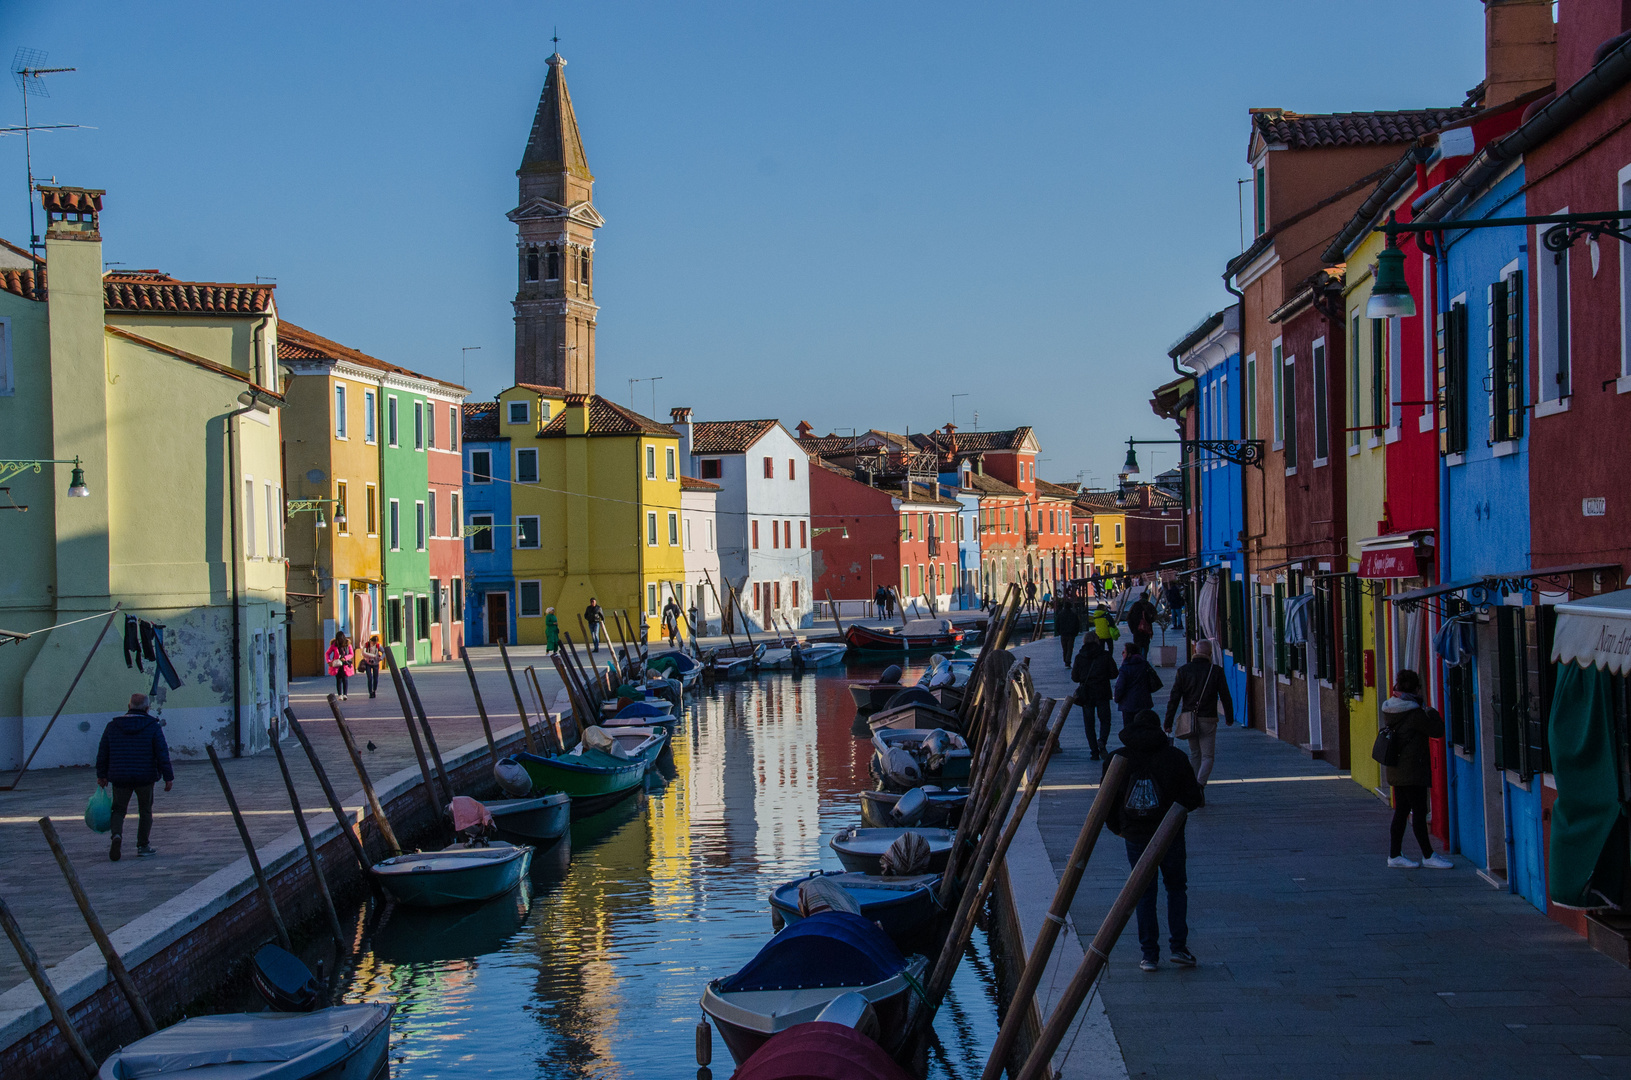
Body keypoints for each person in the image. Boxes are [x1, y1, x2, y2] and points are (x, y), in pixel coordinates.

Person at [1104, 708, 1205, 970]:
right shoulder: (1176, 757)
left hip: (1135, 835)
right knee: (1176, 887)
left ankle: (1149, 955)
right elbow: (1193, 798)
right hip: (1170, 833)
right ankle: (1179, 948)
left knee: (1143, 893)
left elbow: (1106, 803)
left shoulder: (1117, 758)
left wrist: (1119, 828)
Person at [1383, 670, 1453, 869]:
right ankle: (1428, 855)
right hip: (1412, 771)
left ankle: (1394, 855)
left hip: (1397, 770)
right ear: (1415, 689)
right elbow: (1436, 730)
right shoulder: (1414, 713)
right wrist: (1431, 711)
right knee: (1419, 812)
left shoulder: (1391, 709)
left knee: (1402, 812)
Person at [96, 693, 174, 861]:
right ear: (147, 708)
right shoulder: (152, 726)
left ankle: (116, 835)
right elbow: (162, 752)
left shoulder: (113, 726)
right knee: (145, 810)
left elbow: (103, 752)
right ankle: (143, 845)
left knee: (118, 810)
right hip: (145, 776)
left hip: (120, 776)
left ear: (129, 705)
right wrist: (168, 777)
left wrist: (101, 775)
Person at [1163, 640, 1234, 786]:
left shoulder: (1183, 671)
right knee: (1208, 756)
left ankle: (1193, 787)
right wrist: (1229, 717)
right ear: (1210, 653)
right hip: (1208, 718)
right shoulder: (1216, 671)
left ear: (1195, 651)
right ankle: (1200, 785)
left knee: (1195, 754)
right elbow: (1225, 696)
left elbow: (1174, 698)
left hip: (1189, 718)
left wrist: (1168, 722)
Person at [1071, 635, 1118, 760]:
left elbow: (1074, 677)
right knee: (1105, 720)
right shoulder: (1105, 655)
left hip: (1086, 694)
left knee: (1089, 724)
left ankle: (1094, 751)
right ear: (1097, 641)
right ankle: (1102, 740)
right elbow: (1114, 673)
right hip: (1102, 691)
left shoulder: (1079, 657)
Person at [1113, 642, 1162, 731]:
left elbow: (1120, 686)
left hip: (1129, 705)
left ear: (1129, 654)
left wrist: (1117, 698)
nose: (1122, 653)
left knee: (1129, 730)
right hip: (1144, 702)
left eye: (1124, 652)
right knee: (1143, 729)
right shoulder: (1144, 664)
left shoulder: (1125, 668)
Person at [325, 631, 353, 700]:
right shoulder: (334, 645)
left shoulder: (347, 644)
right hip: (337, 664)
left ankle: (345, 694)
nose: (340, 640)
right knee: (338, 679)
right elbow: (327, 653)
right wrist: (329, 661)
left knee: (345, 679)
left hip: (345, 664)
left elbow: (351, 654)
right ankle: (340, 694)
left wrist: (345, 658)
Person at [357, 634, 384, 698]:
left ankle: (374, 690)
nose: (374, 643)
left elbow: (384, 651)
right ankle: (370, 692)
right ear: (371, 641)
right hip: (368, 663)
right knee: (369, 678)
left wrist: (381, 658)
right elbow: (363, 653)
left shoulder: (378, 646)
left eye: (375, 642)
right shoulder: (366, 645)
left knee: (376, 678)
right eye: (373, 642)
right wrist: (373, 656)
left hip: (376, 663)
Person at [1055, 602, 1080, 666]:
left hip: (1063, 634)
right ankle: (1068, 660)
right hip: (1071, 634)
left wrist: (1059, 632)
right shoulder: (1073, 615)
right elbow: (1077, 624)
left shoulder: (1060, 614)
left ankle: (1065, 659)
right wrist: (1076, 632)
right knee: (1070, 648)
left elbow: (1057, 624)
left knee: (1064, 648)